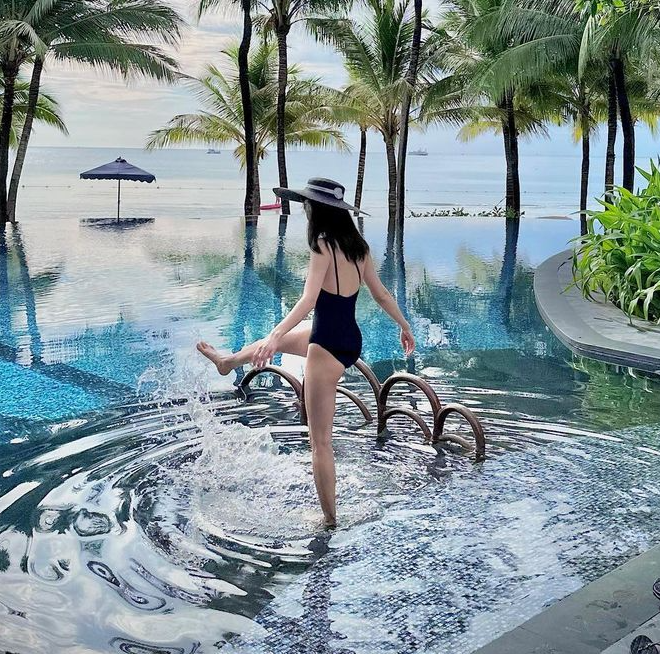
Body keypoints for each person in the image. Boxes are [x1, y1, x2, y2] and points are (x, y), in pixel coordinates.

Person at [197, 178, 415, 528]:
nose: (306, 210)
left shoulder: (322, 245)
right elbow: (381, 294)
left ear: (318, 209)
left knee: (320, 444)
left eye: (307, 205)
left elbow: (309, 299)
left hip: (325, 346)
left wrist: (275, 333)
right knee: (278, 343)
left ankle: (329, 520)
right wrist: (405, 326)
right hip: (348, 339)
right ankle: (228, 362)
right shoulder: (359, 247)